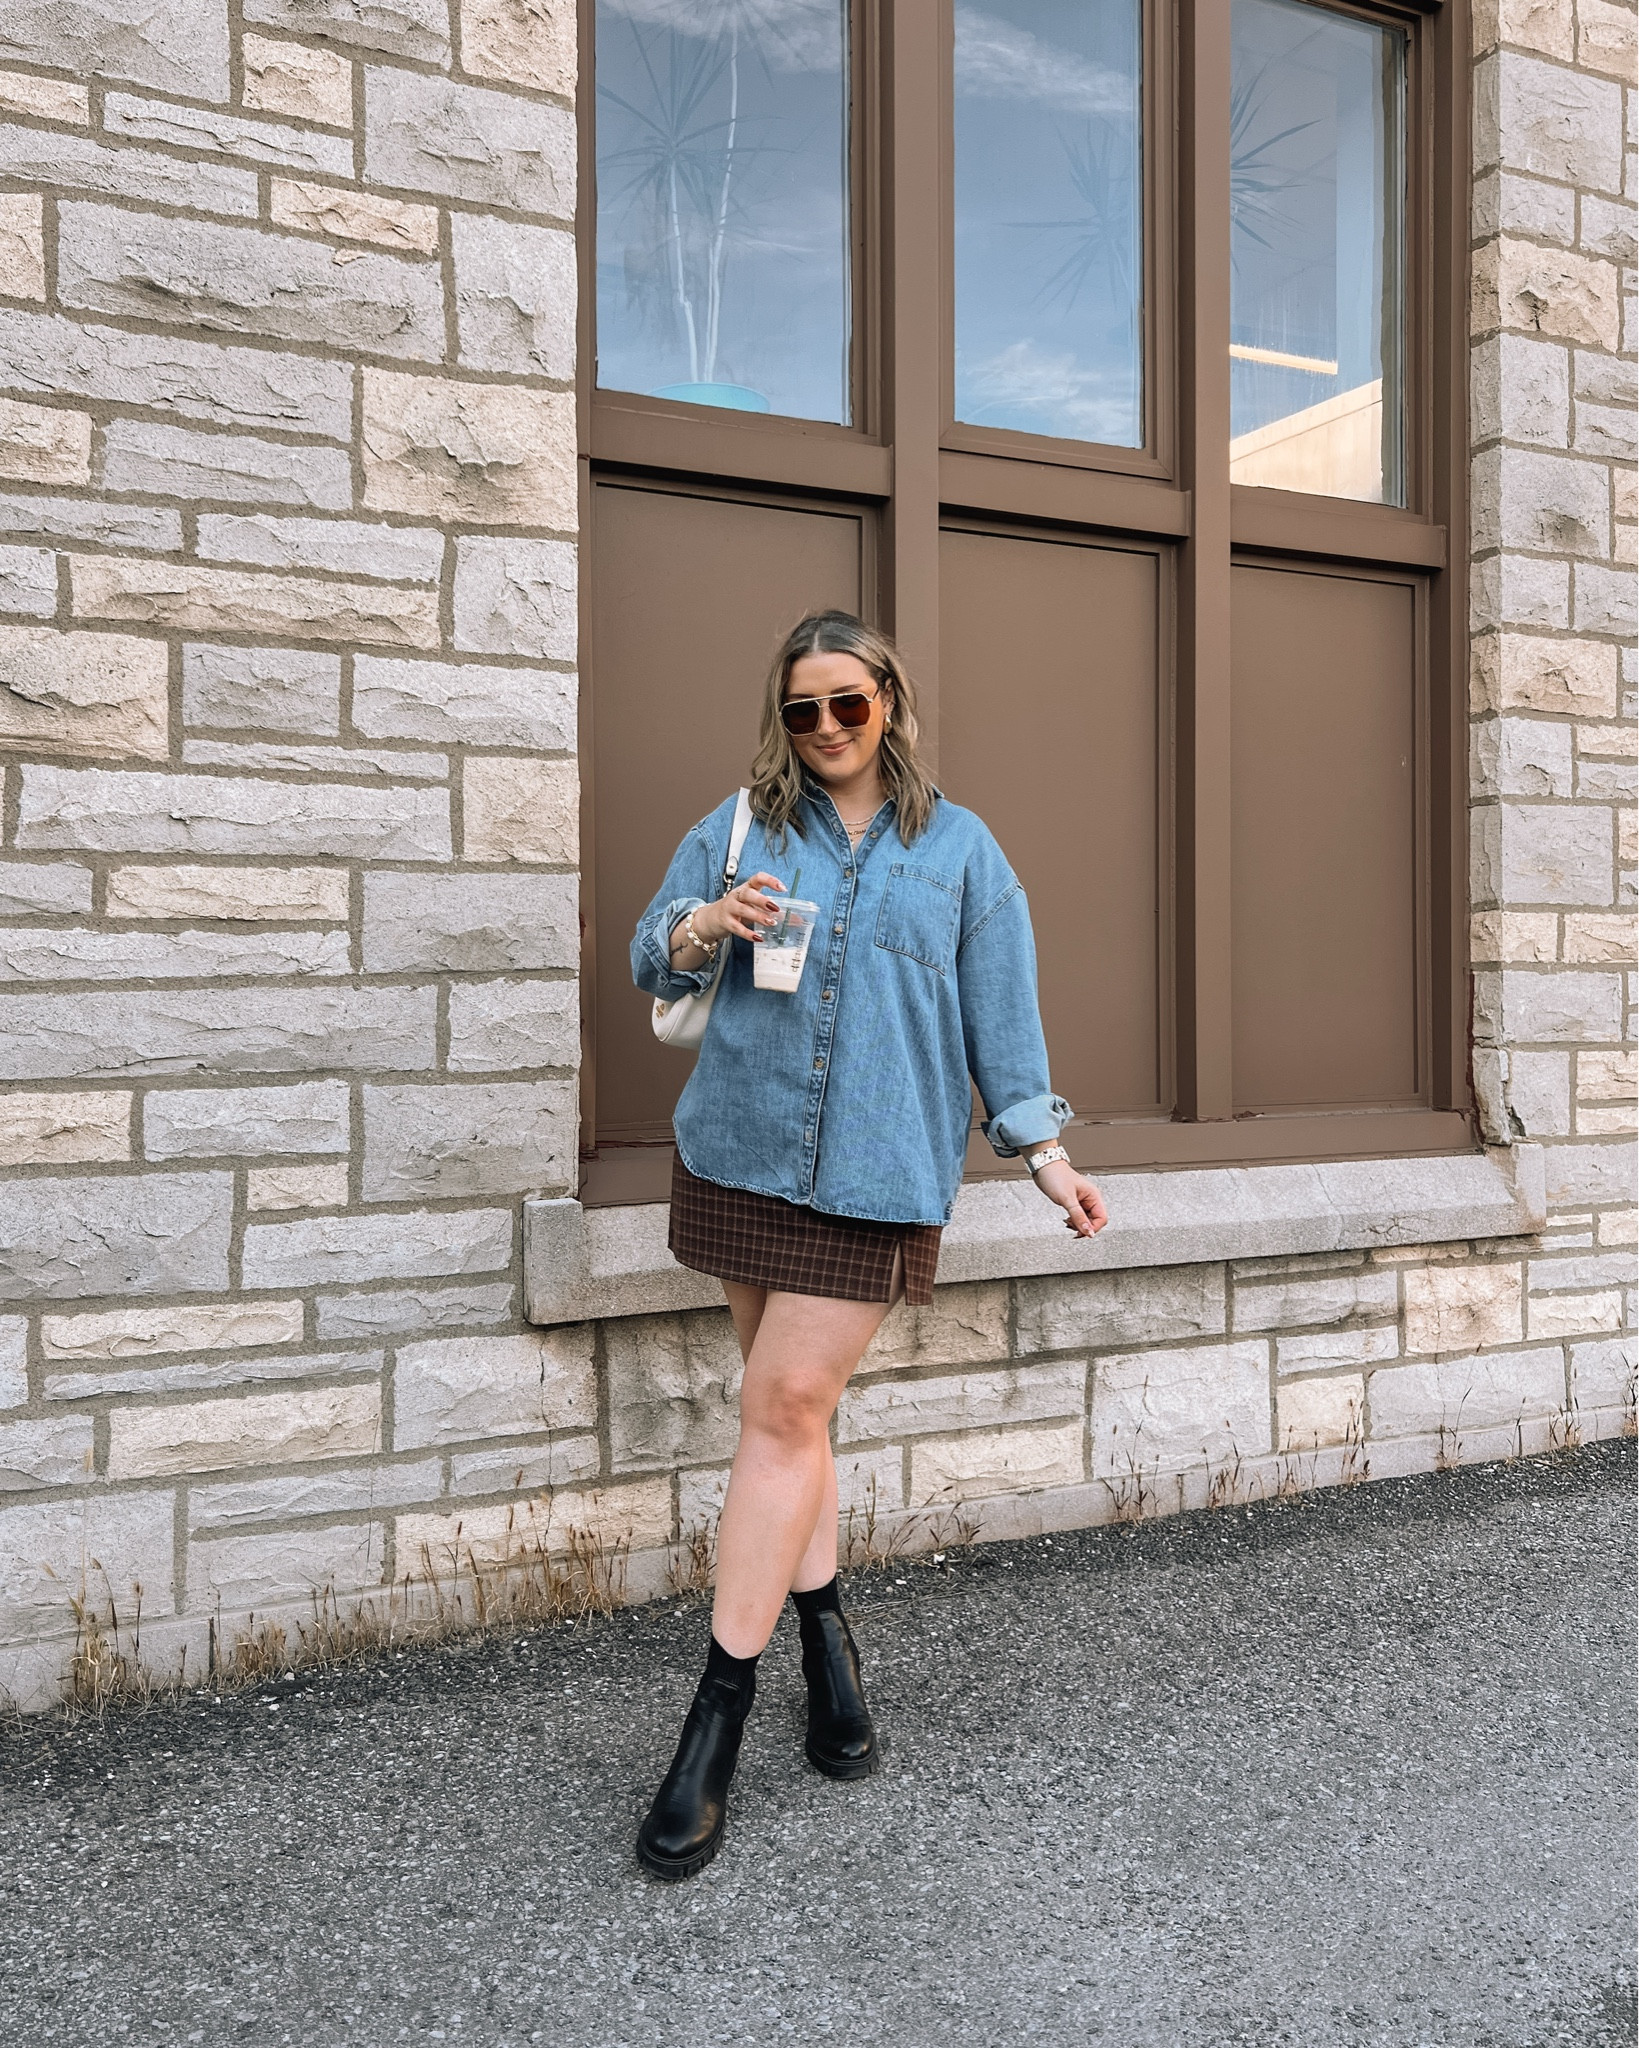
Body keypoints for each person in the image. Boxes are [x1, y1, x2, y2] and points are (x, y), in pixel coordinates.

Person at [629, 609, 1108, 1880]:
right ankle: (828, 1643)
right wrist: (704, 922)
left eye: (848, 702)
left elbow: (1003, 1020)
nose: (827, 728)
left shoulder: (960, 850)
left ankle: (713, 1721)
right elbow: (648, 951)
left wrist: (1045, 1154)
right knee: (796, 1425)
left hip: (879, 1177)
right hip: (736, 1152)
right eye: (802, 710)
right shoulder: (741, 825)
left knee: (781, 1403)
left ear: (887, 700)